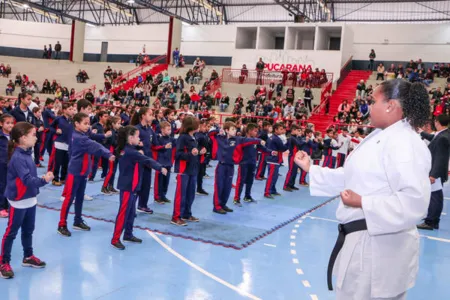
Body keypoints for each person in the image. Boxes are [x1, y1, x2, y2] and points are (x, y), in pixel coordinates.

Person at [294, 79, 431, 300]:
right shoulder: (381, 136)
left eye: (372, 101)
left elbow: (414, 202)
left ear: (390, 105)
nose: (367, 108)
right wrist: (311, 168)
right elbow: (354, 179)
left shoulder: (404, 142)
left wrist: (363, 202)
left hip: (377, 246)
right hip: (364, 240)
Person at [0, 122, 54, 279]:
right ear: (23, 138)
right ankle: (4, 262)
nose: (36, 138)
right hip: (18, 201)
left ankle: (28, 256)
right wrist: (44, 180)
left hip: (30, 199)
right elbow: (27, 180)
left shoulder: (27, 152)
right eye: (33, 135)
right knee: (11, 232)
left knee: (28, 230)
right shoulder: (17, 157)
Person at [57, 113, 115, 237]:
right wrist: (108, 154)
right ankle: (61, 224)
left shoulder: (81, 134)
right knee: (69, 198)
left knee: (79, 197)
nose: (88, 126)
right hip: (75, 172)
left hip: (83, 171)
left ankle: (77, 220)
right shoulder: (79, 138)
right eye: (85, 123)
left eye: (88, 123)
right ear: (76, 124)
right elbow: (95, 146)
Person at [111, 126, 166, 250]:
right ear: (131, 138)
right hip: (127, 187)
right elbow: (147, 160)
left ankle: (128, 234)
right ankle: (115, 239)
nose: (139, 138)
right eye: (137, 136)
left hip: (134, 186)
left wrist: (139, 147)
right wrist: (160, 167)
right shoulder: (130, 152)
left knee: (131, 212)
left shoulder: (129, 150)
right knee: (124, 212)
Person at [417, 114, 450, 230]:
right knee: (435, 196)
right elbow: (433, 139)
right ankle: (432, 220)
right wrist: (421, 132)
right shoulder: (443, 135)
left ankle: (431, 221)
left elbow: (440, 157)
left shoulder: (442, 138)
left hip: (436, 173)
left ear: (437, 122)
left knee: (435, 197)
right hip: (437, 172)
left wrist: (433, 174)